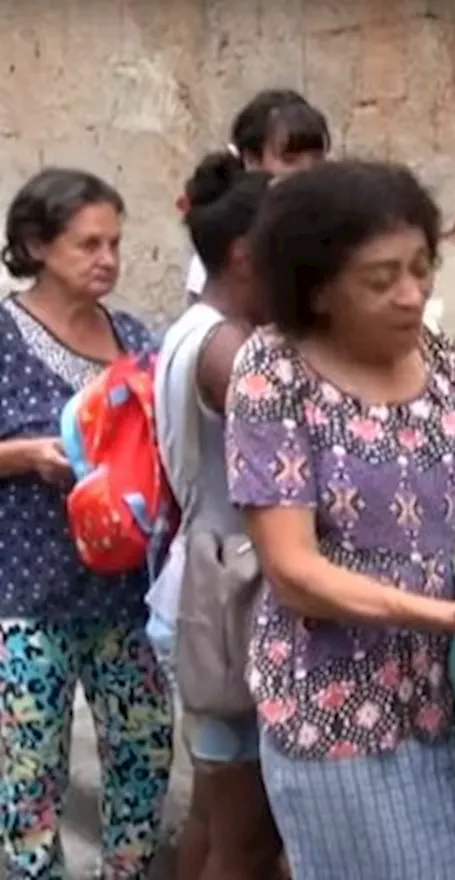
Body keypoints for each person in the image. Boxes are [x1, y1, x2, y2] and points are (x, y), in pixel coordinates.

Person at [225, 159, 455, 880]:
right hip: (339, 706)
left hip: (452, 692)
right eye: (381, 279)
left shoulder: (439, 358)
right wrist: (448, 617)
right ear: (318, 289)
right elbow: (294, 572)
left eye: (422, 268)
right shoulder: (272, 373)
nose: (412, 295)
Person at [0, 169, 173, 878]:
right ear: (37, 245)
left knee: (144, 755)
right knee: (28, 778)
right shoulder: (5, 335)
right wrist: (24, 457)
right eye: (88, 244)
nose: (107, 259)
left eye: (115, 244)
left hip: (123, 598)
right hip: (26, 598)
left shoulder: (132, 339)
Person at [150, 153, 281, 878]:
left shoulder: (195, 328)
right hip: (227, 600)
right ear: (242, 255)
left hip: (199, 581)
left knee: (212, 812)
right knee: (248, 841)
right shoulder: (230, 351)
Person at [183, 88, 329, 300]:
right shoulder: (224, 246)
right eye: (289, 159)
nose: (307, 172)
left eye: (317, 158)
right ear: (251, 160)